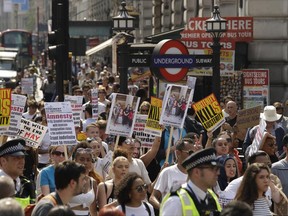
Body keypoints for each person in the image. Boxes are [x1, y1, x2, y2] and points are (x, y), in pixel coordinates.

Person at [160, 148, 222, 216]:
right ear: (197, 172)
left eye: (218, 169)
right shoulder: (176, 201)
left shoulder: (212, 198)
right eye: (213, 169)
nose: (218, 173)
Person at [149, 138, 194, 210]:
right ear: (178, 153)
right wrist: (164, 210)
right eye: (190, 152)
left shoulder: (197, 174)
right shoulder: (167, 172)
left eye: (195, 153)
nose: (193, 156)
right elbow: (153, 198)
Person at [0, 138, 35, 207]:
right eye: (16, 158)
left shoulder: (27, 184)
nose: (22, 162)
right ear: (3, 161)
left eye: (23, 157)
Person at [69, 143, 99, 216]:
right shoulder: (67, 179)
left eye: (88, 160)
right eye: (81, 159)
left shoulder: (93, 182)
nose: (85, 162)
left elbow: (93, 210)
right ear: (75, 160)